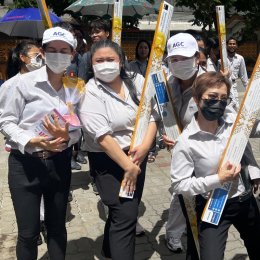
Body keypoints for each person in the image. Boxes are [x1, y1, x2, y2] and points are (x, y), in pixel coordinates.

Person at [0, 27, 81, 260]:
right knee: (28, 232)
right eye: (52, 50)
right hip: (25, 165)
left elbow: (78, 127)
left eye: (64, 50)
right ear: (43, 52)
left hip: (59, 163)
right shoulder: (19, 84)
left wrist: (68, 138)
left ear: (73, 53)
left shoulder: (74, 87)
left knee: (57, 228)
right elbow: (6, 121)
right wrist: (31, 140)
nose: (58, 54)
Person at [78, 39, 160, 260]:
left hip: (136, 156)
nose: (105, 64)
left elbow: (152, 115)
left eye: (110, 59)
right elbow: (102, 137)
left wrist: (144, 148)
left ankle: (107, 250)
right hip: (108, 160)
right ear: (91, 64)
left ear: (121, 61)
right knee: (125, 215)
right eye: (99, 60)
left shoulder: (137, 81)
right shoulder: (90, 91)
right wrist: (129, 168)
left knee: (121, 213)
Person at [171, 71, 260, 260]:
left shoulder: (234, 125)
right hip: (213, 207)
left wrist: (253, 171)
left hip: (244, 202)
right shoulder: (186, 142)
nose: (218, 103)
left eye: (223, 99)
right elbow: (179, 185)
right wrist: (218, 179)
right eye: (212, 97)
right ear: (196, 99)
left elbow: (253, 130)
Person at [78, 18, 110, 82]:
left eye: (97, 32)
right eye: (92, 33)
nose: (94, 35)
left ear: (107, 33)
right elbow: (81, 81)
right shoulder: (87, 57)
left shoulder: (118, 53)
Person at [227, 37, 249, 110]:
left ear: (236, 46)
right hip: (223, 84)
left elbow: (243, 74)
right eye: (230, 44)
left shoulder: (240, 58)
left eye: (234, 44)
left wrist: (248, 89)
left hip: (233, 86)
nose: (232, 45)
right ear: (227, 45)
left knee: (235, 107)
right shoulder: (221, 58)